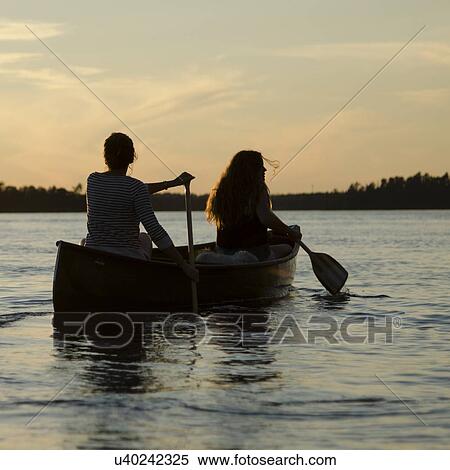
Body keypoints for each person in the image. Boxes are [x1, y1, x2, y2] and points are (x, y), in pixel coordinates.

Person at [83, 132, 198, 282]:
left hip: (95, 256)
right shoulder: (136, 188)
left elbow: (127, 189)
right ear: (131, 159)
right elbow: (156, 232)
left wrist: (171, 183)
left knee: (83, 242)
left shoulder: (93, 180)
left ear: (106, 158)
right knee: (145, 237)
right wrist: (184, 265)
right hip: (127, 259)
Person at [206, 150, 302, 261]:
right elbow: (266, 217)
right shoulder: (258, 189)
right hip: (255, 253)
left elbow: (242, 229)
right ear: (252, 170)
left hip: (224, 252)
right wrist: (289, 232)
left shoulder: (221, 191)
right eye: (261, 166)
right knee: (286, 248)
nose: (265, 170)